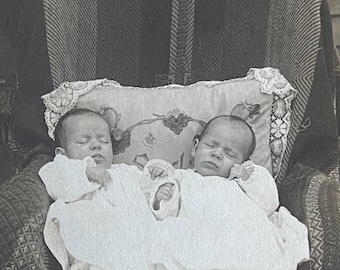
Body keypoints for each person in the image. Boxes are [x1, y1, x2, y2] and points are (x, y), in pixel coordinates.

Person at [142, 115, 310, 269]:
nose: (217, 154)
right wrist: (163, 197)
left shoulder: (244, 179)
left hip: (242, 239)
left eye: (229, 153)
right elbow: (166, 215)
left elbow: (270, 204)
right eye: (211, 145)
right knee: (167, 234)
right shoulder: (181, 178)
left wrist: (247, 178)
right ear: (195, 147)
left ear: (243, 162)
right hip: (199, 238)